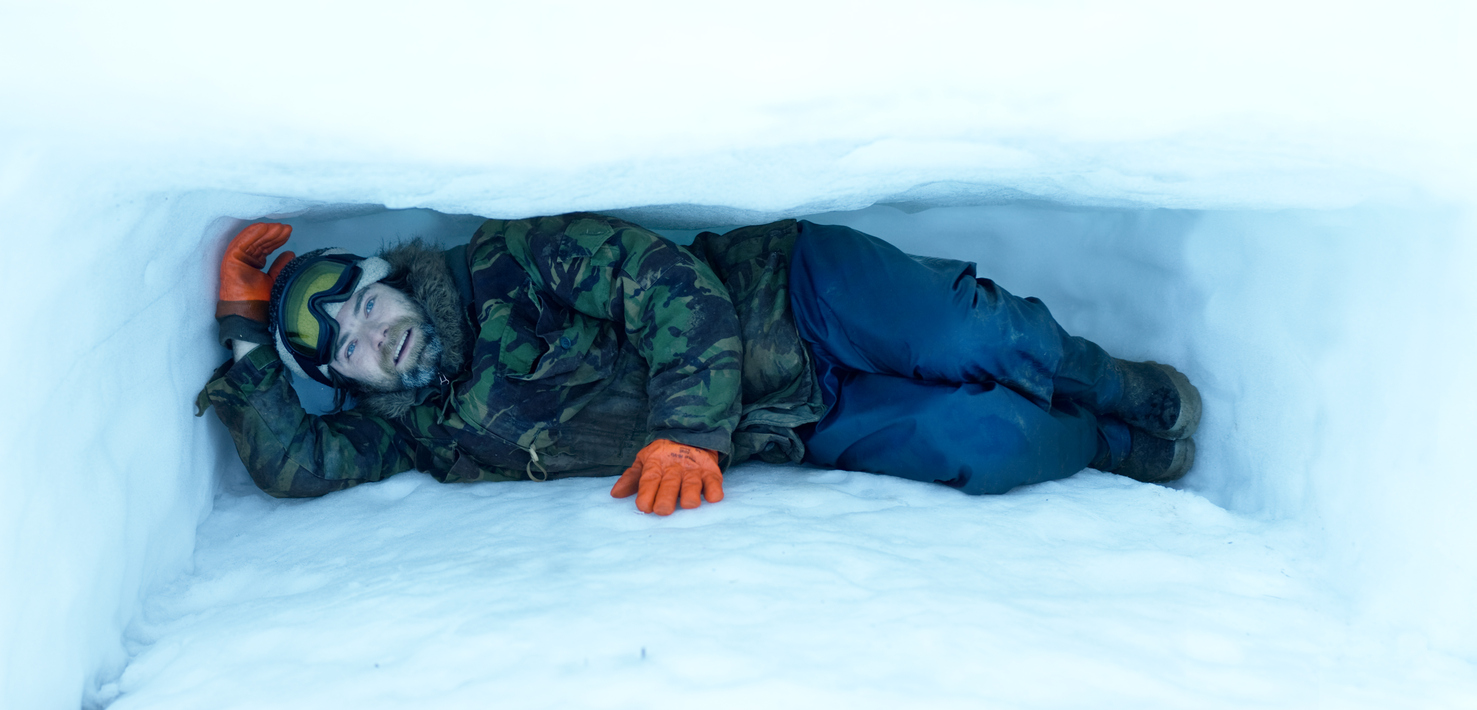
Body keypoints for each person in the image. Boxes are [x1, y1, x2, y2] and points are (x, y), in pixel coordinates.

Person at [198, 214, 1200, 515]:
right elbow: (292, 464)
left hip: (796, 292)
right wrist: (248, 339)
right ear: (353, 384)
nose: (382, 338)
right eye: (355, 352)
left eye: (372, 305)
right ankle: (1102, 440)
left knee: (970, 336)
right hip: (791, 420)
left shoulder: (498, 267)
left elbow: (663, 280)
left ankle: (1108, 381)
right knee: (984, 442)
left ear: (398, 282)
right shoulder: (415, 429)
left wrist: (683, 430)